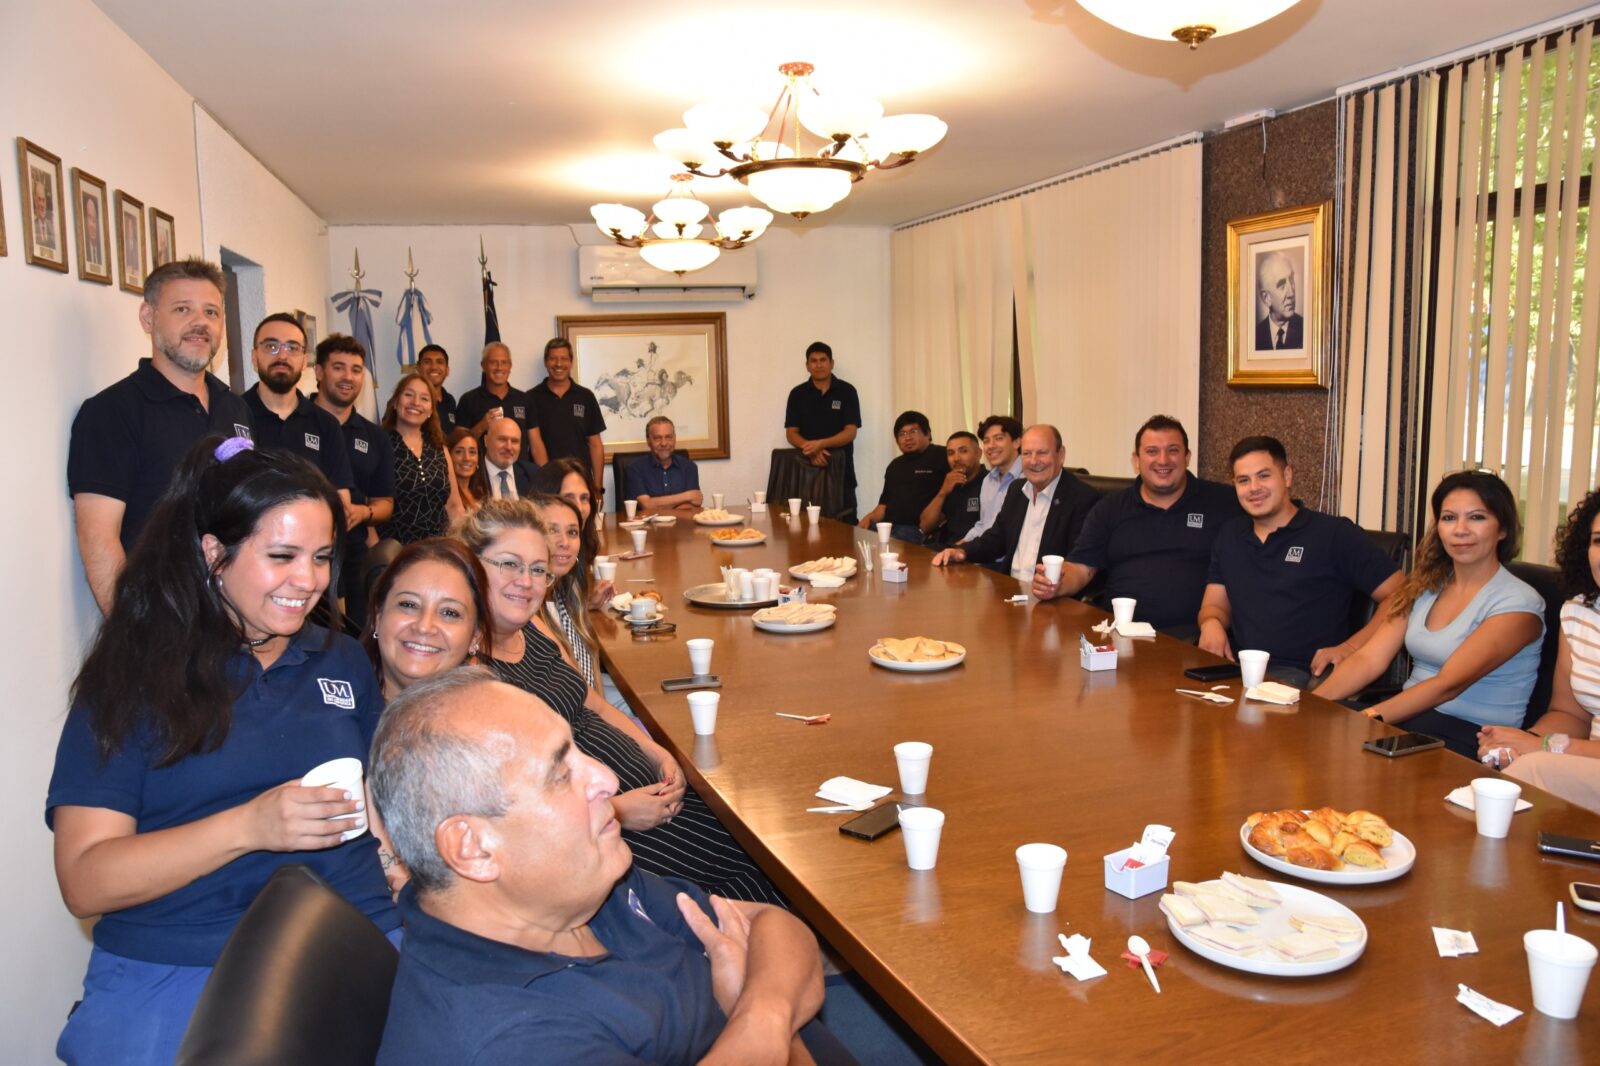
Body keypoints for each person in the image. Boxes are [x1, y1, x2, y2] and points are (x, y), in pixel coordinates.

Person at [47, 436, 395, 1064]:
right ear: (214, 553)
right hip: (186, 955)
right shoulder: (132, 679)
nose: (307, 581)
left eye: (321, 557)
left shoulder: (340, 659)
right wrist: (249, 826)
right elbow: (85, 881)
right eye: (282, 556)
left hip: (355, 936)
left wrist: (401, 866)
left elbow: (375, 805)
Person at [369, 669, 827, 1065]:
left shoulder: (575, 886)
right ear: (473, 848)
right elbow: (769, 953)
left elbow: (774, 925)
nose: (608, 778)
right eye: (560, 774)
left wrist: (758, 1019)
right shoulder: (512, 1040)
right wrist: (756, 1021)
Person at [459, 501, 785, 905]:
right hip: (598, 831)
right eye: (509, 564)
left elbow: (595, 705)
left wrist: (656, 753)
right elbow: (514, 807)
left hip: (645, 797)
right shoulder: (472, 671)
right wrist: (617, 811)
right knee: (739, 875)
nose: (525, 581)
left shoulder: (534, 626)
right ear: (470, 564)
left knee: (750, 836)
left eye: (538, 569)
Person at [68, 257, 255, 613]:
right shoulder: (112, 412)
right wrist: (130, 630)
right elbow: (98, 539)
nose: (200, 323)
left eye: (211, 312)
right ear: (148, 317)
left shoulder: (235, 408)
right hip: (164, 618)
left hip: (237, 610)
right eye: (183, 309)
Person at [1316, 472, 1544, 757]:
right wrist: (1310, 705)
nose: (1460, 529)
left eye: (1476, 517)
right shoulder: (1424, 585)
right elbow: (1369, 659)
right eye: (1449, 518)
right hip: (1409, 719)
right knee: (1311, 728)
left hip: (1472, 736)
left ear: (1503, 529)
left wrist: (1368, 719)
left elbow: (1447, 684)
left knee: (1339, 749)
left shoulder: (1518, 602)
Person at [1198, 435, 1403, 686]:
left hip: (1303, 677)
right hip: (1237, 670)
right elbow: (1214, 604)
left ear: (1287, 476)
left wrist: (1351, 648)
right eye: (1243, 480)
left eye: (1264, 476)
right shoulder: (1229, 535)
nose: (1253, 488)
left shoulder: (1333, 534)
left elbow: (1401, 595)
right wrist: (1211, 623)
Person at [361, 537, 494, 897]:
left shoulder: (491, 724)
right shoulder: (338, 715)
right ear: (378, 616)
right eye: (408, 605)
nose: (424, 626)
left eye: (449, 613)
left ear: (476, 636)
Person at [1032, 415, 1242, 639]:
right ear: (1136, 460)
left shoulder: (1223, 502)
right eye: (1152, 451)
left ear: (1187, 457)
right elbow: (1082, 568)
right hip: (1121, 634)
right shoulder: (1110, 508)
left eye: (1172, 450)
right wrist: (1057, 583)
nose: (1163, 460)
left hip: (1195, 638)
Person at [1479, 489, 1600, 811]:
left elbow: (1555, 749)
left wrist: (1548, 748)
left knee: (1530, 774)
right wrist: (1521, 743)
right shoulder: (1579, 613)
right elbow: (1570, 714)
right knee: (1500, 785)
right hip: (1586, 767)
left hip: (1580, 761)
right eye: (1599, 541)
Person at [931, 424, 1098, 582]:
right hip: (1010, 588)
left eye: (1042, 453)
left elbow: (1080, 564)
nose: (1033, 461)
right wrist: (962, 551)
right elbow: (996, 539)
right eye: (1027, 454)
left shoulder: (1082, 498)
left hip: (1049, 594)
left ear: (1060, 455)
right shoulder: (1017, 490)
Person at [313, 333, 396, 627]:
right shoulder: (298, 423)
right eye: (338, 367)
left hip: (356, 555)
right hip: (308, 553)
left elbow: (386, 504)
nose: (348, 377)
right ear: (319, 372)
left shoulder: (375, 437)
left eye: (356, 369)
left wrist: (363, 513)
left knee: (360, 633)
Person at [243, 313, 355, 506]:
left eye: (292, 348)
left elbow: (341, 498)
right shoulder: (234, 414)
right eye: (271, 346)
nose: (282, 356)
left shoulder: (326, 424)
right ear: (254, 357)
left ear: (304, 360)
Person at [378, 373, 465, 544]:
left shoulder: (440, 448)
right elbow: (370, 507)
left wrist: (463, 545)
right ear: (395, 402)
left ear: (431, 410)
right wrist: (378, 554)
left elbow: (454, 507)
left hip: (438, 550)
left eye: (424, 398)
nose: (416, 402)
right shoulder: (379, 445)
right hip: (395, 553)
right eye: (408, 395)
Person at [784, 341, 862, 520]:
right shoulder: (797, 394)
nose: (818, 365)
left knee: (846, 529)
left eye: (823, 360)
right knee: (804, 528)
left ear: (831, 363)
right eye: (813, 361)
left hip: (842, 473)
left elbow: (851, 432)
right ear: (807, 366)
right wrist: (812, 450)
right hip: (806, 472)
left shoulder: (847, 391)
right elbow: (791, 433)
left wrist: (821, 444)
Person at [858, 411, 949, 544]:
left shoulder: (943, 455)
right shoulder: (894, 465)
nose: (908, 438)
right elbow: (883, 506)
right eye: (902, 434)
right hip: (888, 526)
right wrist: (869, 518)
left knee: (888, 545)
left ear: (928, 434)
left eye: (913, 431)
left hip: (917, 529)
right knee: (857, 539)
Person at [526, 337, 607, 482]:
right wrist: (548, 479)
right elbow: (535, 445)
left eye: (563, 359)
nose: (558, 364)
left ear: (571, 363)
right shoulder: (531, 398)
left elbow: (595, 444)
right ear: (546, 362)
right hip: (546, 482)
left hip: (581, 480)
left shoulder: (586, 397)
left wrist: (598, 486)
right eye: (553, 359)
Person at [963, 415, 1024, 548]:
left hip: (1007, 554)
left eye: (999, 438)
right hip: (983, 548)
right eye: (986, 441)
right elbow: (983, 525)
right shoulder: (988, 480)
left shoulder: (1028, 478)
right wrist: (958, 547)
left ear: (1016, 442)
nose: (990, 446)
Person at [454, 342, 533, 441]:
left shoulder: (524, 399)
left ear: (510, 366)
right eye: (493, 362)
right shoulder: (468, 400)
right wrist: (482, 426)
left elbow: (536, 444)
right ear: (483, 365)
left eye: (504, 362)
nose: (499, 367)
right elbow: (458, 444)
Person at [624, 415, 702, 512]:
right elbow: (647, 505)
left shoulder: (689, 467)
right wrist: (687, 496)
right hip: (649, 522)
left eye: (668, 437)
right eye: (657, 438)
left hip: (682, 522)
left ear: (675, 438)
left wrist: (657, 504)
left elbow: (695, 502)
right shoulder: (635, 469)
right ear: (648, 441)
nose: (664, 443)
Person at [919, 431, 985, 546]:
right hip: (943, 547)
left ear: (978, 454)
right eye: (951, 453)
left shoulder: (989, 482)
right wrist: (943, 492)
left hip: (971, 550)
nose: (956, 458)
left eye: (963, 451)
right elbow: (925, 526)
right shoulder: (950, 482)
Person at [481, 413, 540, 499]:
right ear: (486, 441)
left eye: (514, 441)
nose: (508, 447)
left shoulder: (533, 474)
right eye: (502, 439)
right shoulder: (472, 475)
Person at [1254, 251, 1304, 351]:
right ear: (1266, 298)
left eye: (1291, 280)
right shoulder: (1255, 336)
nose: (1291, 293)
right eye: (1281, 285)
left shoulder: (1306, 329)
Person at [416, 343, 457, 433]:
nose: (434, 367)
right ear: (418, 368)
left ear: (447, 370)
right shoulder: (408, 400)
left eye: (439, 362)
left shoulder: (450, 401)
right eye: (427, 362)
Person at [446, 426, 489, 511]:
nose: (467, 458)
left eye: (472, 452)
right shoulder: (445, 494)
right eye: (459, 452)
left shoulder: (481, 491)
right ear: (448, 456)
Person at [82, 192, 103, 269]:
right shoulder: (84, 251)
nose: (92, 226)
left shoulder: (101, 253)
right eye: (89, 218)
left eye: (94, 220)